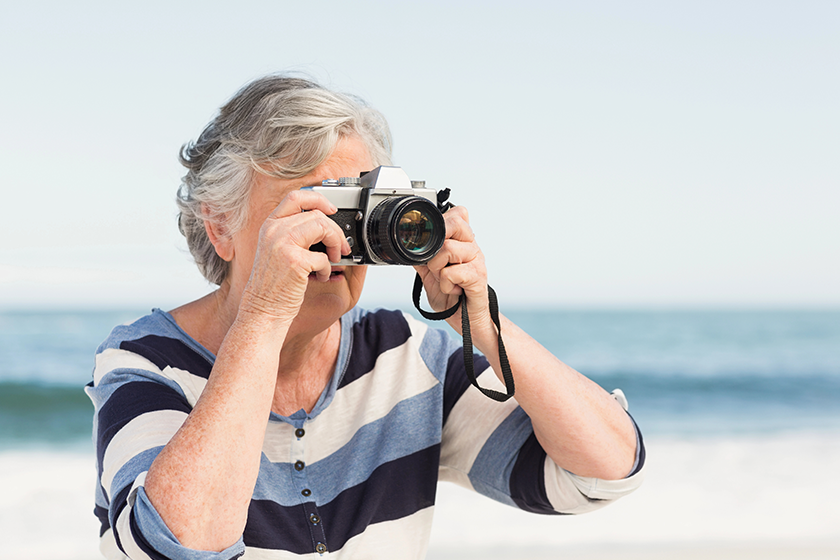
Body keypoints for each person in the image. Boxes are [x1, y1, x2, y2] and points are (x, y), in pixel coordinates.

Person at [86, 75, 645, 560]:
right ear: (220, 227)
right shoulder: (148, 362)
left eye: (355, 212)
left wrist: (482, 323)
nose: (336, 244)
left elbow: (603, 473)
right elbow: (176, 547)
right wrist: (263, 318)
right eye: (309, 212)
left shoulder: (403, 357)